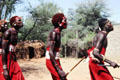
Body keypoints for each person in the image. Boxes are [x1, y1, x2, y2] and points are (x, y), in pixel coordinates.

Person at [46, 13, 67, 80]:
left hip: (54, 60)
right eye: (65, 20)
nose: (66, 22)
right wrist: (59, 70)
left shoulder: (58, 32)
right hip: (51, 60)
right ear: (59, 22)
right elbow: (50, 52)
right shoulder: (54, 33)